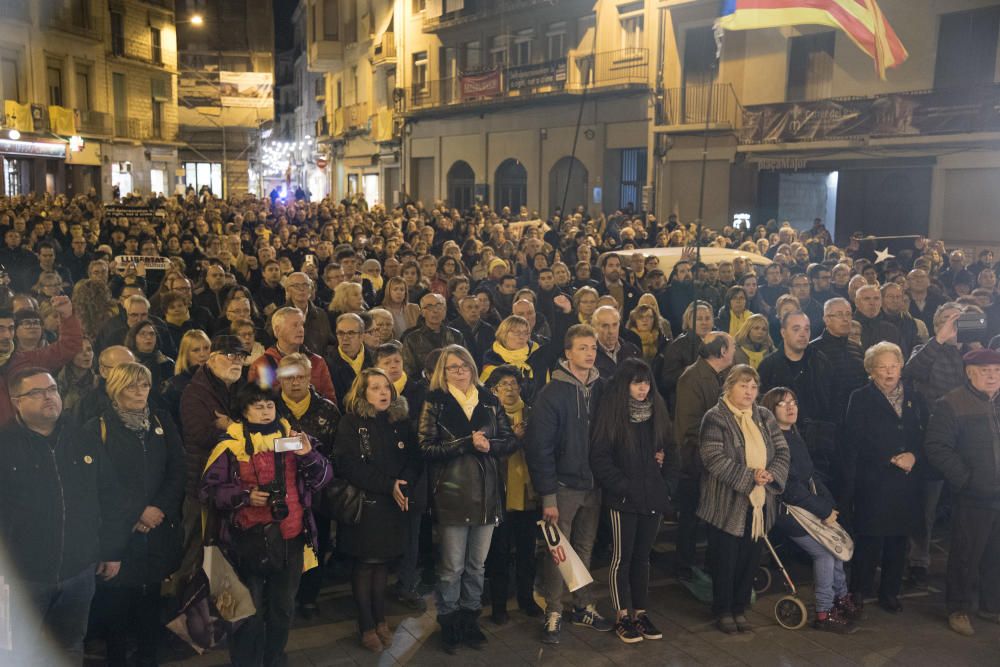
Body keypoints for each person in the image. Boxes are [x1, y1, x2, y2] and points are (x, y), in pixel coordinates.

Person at [200, 383, 331, 666]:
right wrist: (245, 497)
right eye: (257, 406)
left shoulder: (293, 440)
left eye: (269, 405)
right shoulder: (229, 446)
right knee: (248, 613)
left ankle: (274, 659)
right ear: (243, 411)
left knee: (282, 610)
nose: (265, 411)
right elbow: (210, 491)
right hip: (246, 542)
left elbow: (323, 479)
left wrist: (307, 455)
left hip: (289, 538)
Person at [419, 344, 517, 652]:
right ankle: (448, 620)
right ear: (442, 372)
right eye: (452, 367)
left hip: (487, 494)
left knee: (477, 565)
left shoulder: (489, 400)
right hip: (452, 493)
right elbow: (425, 446)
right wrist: (465, 443)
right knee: (452, 567)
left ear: (473, 368)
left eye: (464, 366)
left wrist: (491, 446)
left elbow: (509, 439)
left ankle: (470, 618)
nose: (460, 371)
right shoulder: (434, 401)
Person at [86, 362, 185, 666]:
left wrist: (158, 509)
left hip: (156, 531)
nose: (140, 391)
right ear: (115, 388)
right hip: (119, 535)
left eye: (144, 385)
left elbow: (178, 470)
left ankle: (148, 657)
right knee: (116, 605)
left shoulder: (162, 420)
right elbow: (100, 483)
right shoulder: (96, 428)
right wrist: (137, 513)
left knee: (150, 601)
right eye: (132, 385)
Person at [525, 324, 614, 644]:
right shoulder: (552, 393)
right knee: (557, 553)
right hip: (563, 485)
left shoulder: (603, 387)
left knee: (585, 547)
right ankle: (554, 609)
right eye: (582, 348)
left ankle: (582, 605)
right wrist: (548, 494)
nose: (590, 353)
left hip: (593, 484)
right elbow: (540, 449)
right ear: (567, 353)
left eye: (593, 348)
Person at [697, 364, 789, 634]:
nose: (749, 391)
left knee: (750, 558)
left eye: (753, 387)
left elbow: (782, 451)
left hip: (759, 503)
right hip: (725, 503)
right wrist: (750, 477)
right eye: (743, 386)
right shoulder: (715, 417)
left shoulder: (764, 416)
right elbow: (713, 458)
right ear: (729, 387)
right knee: (725, 559)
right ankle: (723, 609)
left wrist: (771, 474)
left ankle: (740, 608)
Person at [335, 368, 420, 653]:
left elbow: (412, 457)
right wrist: (388, 484)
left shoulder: (400, 421)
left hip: (394, 502)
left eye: (387, 387)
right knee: (365, 564)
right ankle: (367, 624)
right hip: (367, 503)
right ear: (363, 393)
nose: (384, 392)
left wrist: (403, 483)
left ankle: (381, 619)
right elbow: (348, 465)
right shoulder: (351, 422)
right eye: (375, 388)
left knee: (382, 563)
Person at [590, 358, 675, 644]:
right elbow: (600, 457)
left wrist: (665, 484)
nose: (643, 388)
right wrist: (623, 487)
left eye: (646, 382)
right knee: (621, 559)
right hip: (624, 499)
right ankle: (621, 614)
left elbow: (671, 450)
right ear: (625, 385)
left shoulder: (657, 412)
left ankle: (640, 612)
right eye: (637, 383)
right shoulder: (613, 414)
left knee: (642, 558)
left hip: (652, 496)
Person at [763, 387, 857, 634]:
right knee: (826, 552)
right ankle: (824, 611)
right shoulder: (774, 442)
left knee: (835, 548)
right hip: (787, 512)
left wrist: (829, 504)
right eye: (783, 404)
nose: (791, 407)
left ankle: (841, 599)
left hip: (807, 505)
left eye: (793, 402)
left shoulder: (794, 434)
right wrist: (824, 509)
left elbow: (810, 475)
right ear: (771, 411)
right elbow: (789, 488)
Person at [844, 342, 926, 614]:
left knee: (898, 539)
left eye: (894, 365)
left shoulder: (913, 395)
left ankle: (890, 592)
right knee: (870, 538)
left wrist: (914, 455)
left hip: (906, 479)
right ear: (871, 370)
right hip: (874, 479)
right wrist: (888, 458)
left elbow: (921, 434)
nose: (889, 372)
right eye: (882, 367)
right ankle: (858, 590)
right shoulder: (860, 397)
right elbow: (853, 440)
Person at [923, 348, 1000, 637]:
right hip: (973, 495)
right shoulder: (952, 403)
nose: (992, 376)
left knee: (997, 554)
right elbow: (936, 447)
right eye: (985, 371)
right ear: (970, 373)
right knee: (966, 555)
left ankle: (992, 606)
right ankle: (958, 608)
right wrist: (966, 480)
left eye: (996, 371)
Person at [273, 352, 342, 618]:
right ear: (280, 379)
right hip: (283, 492)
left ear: (310, 377)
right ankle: (282, 601)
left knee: (317, 544)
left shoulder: (327, 409)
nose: (295, 383)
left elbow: (337, 451)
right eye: (289, 378)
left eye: (301, 376)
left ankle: (309, 597)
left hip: (318, 493)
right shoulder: (270, 408)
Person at [177, 335, 248, 579]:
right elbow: (201, 435)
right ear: (212, 359)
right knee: (196, 553)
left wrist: (229, 425)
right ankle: (184, 610)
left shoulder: (243, 389)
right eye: (231, 356)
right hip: (203, 485)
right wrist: (238, 430)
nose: (237, 361)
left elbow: (260, 428)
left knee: (227, 556)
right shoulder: (194, 393)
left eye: (241, 356)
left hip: (235, 485)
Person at [483, 365, 542, 625]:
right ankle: (498, 605)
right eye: (503, 385)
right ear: (493, 390)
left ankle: (527, 599)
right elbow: (489, 452)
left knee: (528, 552)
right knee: (500, 554)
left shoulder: (533, 413)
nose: (509, 389)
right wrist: (515, 438)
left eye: (513, 384)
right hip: (500, 496)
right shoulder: (488, 416)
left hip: (528, 495)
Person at [372, 342, 429, 611]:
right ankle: (374, 591)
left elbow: (417, 447)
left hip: (410, 479)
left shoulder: (417, 393)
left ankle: (407, 585)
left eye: (397, 361)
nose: (393, 367)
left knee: (411, 536)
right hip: (381, 483)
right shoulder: (369, 406)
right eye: (387, 364)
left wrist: (405, 479)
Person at [673, 332, 735, 581]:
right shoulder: (693, 377)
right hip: (695, 460)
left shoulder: (715, 376)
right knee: (690, 516)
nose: (734, 351)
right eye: (732, 347)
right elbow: (690, 425)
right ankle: (685, 568)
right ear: (721, 352)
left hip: (708, 457)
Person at [249, 306, 336, 402]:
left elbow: (330, 401)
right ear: (277, 330)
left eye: (302, 325)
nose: (301, 329)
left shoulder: (316, 362)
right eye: (295, 325)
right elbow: (256, 404)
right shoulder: (262, 365)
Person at [656, 300, 714, 411]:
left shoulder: (719, 340)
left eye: (707, 318)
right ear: (689, 321)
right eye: (699, 319)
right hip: (686, 405)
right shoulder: (677, 346)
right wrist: (686, 371)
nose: (704, 323)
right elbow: (667, 380)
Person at [400, 292, 465, 378]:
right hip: (424, 386)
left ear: (445, 310)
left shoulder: (456, 335)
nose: (435, 311)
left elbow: (465, 363)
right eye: (429, 307)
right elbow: (408, 370)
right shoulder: (412, 339)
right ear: (422, 312)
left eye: (439, 306)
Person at [160, 329, 211, 424]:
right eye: (196, 350)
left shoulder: (221, 379)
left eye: (206, 348)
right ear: (186, 355)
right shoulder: (174, 385)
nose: (202, 354)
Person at [328, 312, 372, 404]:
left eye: (351, 333)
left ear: (361, 336)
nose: (345, 338)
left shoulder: (375, 358)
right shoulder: (327, 363)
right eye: (340, 333)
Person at [57, 336, 98, 412]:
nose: (86, 354)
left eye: (89, 349)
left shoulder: (98, 383)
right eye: (79, 350)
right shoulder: (57, 383)